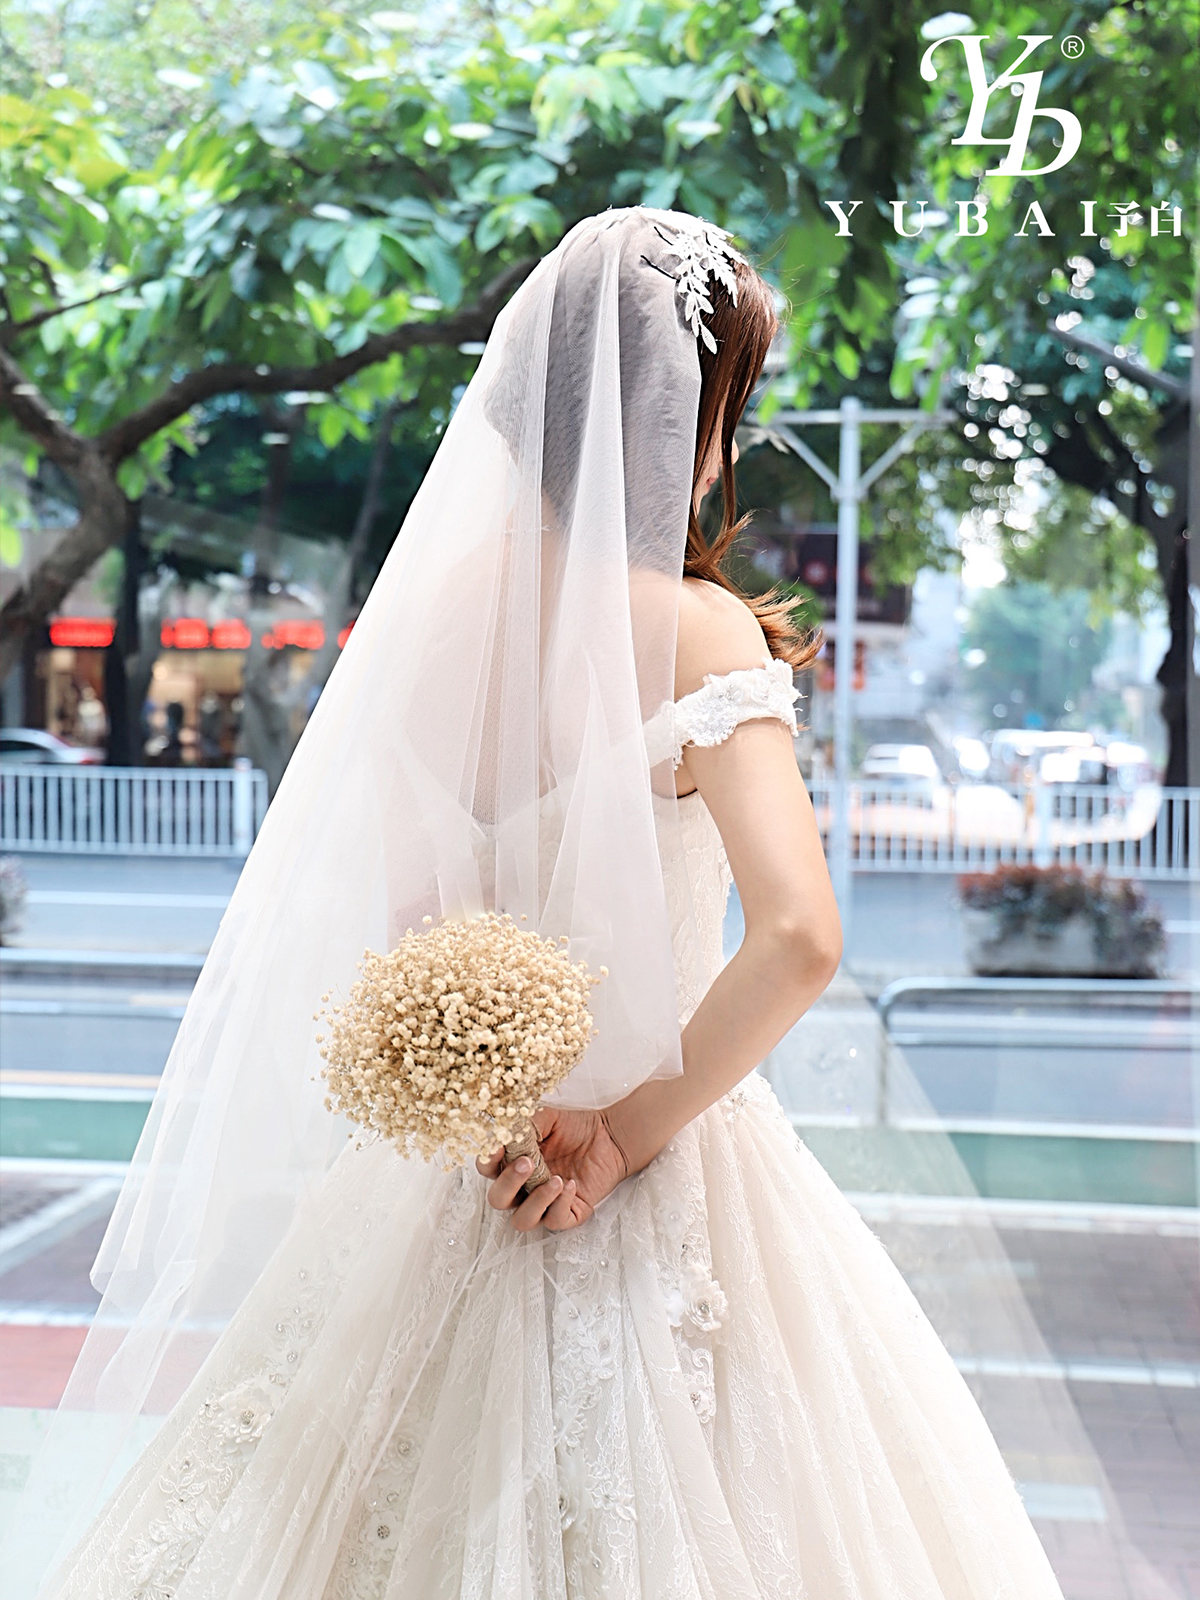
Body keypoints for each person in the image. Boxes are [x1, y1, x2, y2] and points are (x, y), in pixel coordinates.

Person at [10, 208, 1070, 1599]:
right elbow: (802, 938)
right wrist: (616, 1140)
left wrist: (497, 1116)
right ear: (688, 415)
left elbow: (417, 932)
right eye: (727, 402)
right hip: (655, 1160)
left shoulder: (436, 620)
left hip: (461, 1168)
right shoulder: (701, 630)